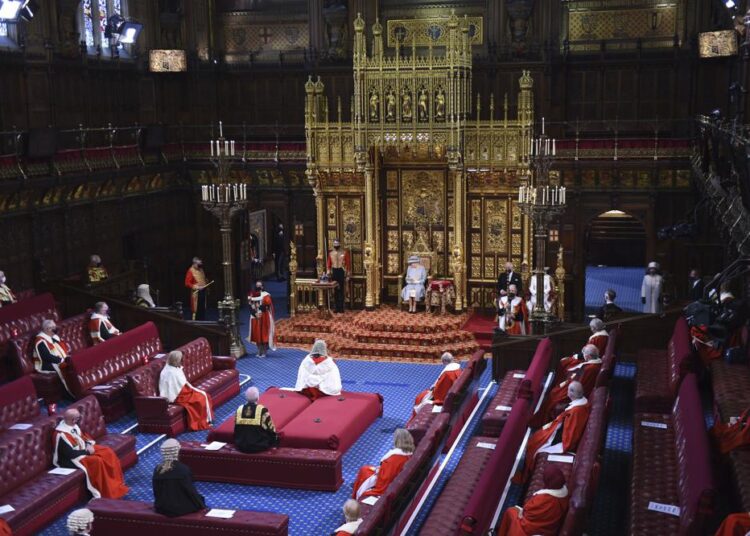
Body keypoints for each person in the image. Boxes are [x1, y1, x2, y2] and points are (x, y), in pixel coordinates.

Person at [515, 382, 590, 484]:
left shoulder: (576, 412)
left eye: (568, 390)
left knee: (535, 444)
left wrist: (551, 431)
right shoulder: (582, 404)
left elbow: (570, 435)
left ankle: (528, 476)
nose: (566, 391)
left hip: (562, 440)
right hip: (560, 431)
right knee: (536, 438)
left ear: (572, 393)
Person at [53, 408, 129, 499]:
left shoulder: (73, 426)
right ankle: (105, 491)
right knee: (97, 461)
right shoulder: (61, 435)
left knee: (107, 451)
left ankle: (116, 483)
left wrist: (88, 444)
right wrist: (87, 451)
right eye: (78, 418)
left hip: (81, 450)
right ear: (73, 420)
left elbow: (82, 438)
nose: (79, 420)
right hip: (71, 459)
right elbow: (70, 454)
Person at [535, 344, 601, 424]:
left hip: (579, 390)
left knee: (554, 395)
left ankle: (543, 419)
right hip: (576, 383)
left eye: (584, 355)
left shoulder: (590, 368)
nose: (583, 356)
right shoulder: (593, 364)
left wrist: (567, 381)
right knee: (556, 389)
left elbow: (580, 382)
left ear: (589, 357)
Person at [498, 465, 569, 536]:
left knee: (510, 511)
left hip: (529, 530)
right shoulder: (565, 495)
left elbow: (527, 512)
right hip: (548, 530)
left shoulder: (543, 499)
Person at [352, 429, 415, 500]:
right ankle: (357, 485)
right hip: (393, 474)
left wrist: (378, 470)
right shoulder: (409, 453)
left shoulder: (394, 458)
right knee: (366, 469)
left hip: (384, 480)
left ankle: (356, 493)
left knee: (364, 470)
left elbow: (386, 477)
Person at [159, 350, 213, 431]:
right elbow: (172, 389)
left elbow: (181, 384)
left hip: (184, 392)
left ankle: (207, 419)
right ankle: (199, 424)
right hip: (178, 396)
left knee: (205, 395)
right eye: (181, 359)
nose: (182, 361)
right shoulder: (169, 372)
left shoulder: (174, 367)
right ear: (176, 360)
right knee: (200, 400)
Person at [153, 438, 206, 517]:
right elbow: (190, 491)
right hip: (183, 508)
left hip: (162, 508)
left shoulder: (158, 469)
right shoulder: (183, 469)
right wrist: (201, 505)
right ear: (177, 452)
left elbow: (156, 492)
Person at [34, 318, 73, 399]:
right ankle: (70, 393)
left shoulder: (53, 337)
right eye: (54, 327)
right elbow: (46, 356)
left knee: (72, 362)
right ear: (48, 329)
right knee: (66, 367)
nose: (56, 328)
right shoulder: (40, 341)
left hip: (58, 359)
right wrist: (61, 360)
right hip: (47, 364)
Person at [233, 386, 279, 453]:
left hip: (241, 446)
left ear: (246, 398)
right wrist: (275, 442)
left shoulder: (239, 409)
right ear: (258, 398)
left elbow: (236, 429)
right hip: (258, 446)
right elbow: (271, 429)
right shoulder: (262, 410)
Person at [246, 281, 276, 357]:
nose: (258, 287)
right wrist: (254, 312)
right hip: (255, 316)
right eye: (256, 285)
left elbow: (267, 304)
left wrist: (260, 307)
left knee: (264, 334)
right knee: (257, 334)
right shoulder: (251, 294)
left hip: (264, 316)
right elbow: (250, 304)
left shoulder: (266, 295)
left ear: (262, 287)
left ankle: (264, 351)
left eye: (259, 286)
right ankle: (259, 350)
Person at [327, 239, 349, 314]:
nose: (336, 245)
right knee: (335, 290)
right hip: (334, 272)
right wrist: (328, 272)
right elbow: (329, 264)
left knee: (341, 290)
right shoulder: (331, 253)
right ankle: (336, 307)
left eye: (337, 244)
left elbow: (348, 264)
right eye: (335, 244)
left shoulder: (344, 252)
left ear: (339, 244)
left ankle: (341, 307)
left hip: (341, 271)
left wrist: (348, 274)